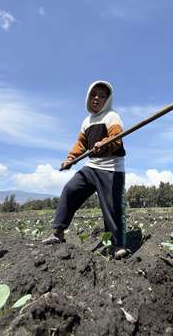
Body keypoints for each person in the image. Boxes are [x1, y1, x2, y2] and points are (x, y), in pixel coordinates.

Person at [42, 80, 128, 259]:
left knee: (112, 207)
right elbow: (80, 143)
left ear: (108, 100)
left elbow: (116, 139)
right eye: (94, 95)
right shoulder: (87, 121)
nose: (97, 98)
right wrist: (71, 159)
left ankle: (118, 244)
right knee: (71, 190)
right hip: (91, 166)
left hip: (111, 168)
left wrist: (104, 143)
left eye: (102, 96)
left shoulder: (112, 117)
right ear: (88, 98)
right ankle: (58, 232)